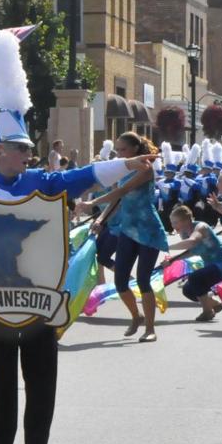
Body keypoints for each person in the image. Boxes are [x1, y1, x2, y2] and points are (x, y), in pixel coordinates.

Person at [0, 30, 155, 444]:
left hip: (40, 292)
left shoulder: (38, 182)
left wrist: (126, 163)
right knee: (2, 377)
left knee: (40, 372)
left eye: (30, 150)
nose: (28, 156)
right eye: (20, 150)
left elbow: (79, 177)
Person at [77, 131, 169, 343]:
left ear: (135, 150)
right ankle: (136, 316)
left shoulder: (145, 169)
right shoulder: (122, 170)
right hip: (128, 230)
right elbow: (116, 201)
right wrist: (101, 219)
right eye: (117, 150)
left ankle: (150, 329)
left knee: (144, 280)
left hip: (147, 230)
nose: (119, 153)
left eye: (123, 150)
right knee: (120, 283)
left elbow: (121, 192)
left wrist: (91, 204)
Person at [167, 205, 222, 322]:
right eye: (172, 223)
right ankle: (214, 303)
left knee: (195, 278)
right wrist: (171, 260)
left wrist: (167, 247)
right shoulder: (184, 233)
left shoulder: (201, 227)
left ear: (186, 220)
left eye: (175, 222)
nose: (173, 226)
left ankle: (207, 312)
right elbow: (191, 251)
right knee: (188, 290)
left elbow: (192, 242)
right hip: (210, 266)